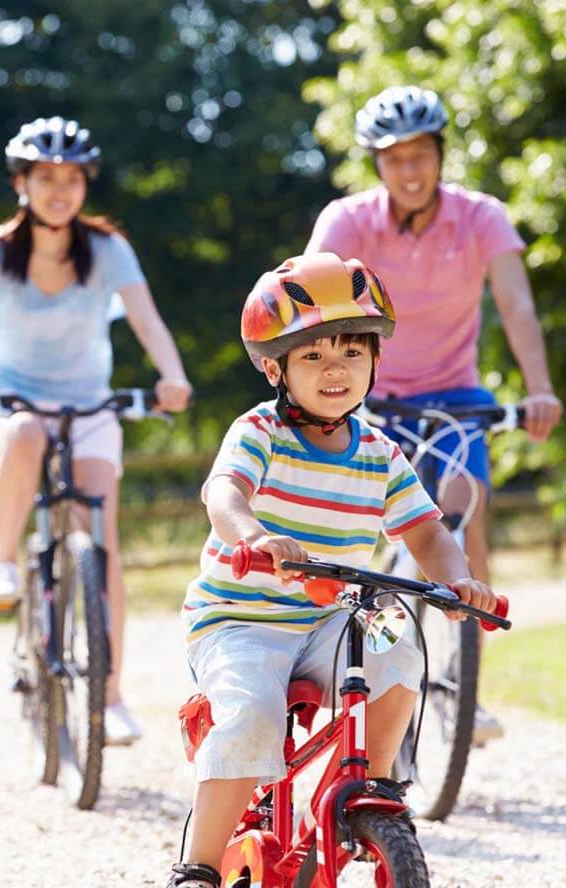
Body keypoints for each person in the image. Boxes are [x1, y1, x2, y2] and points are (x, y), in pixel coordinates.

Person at [167, 252, 496, 888]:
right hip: (241, 619)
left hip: (329, 617)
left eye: (351, 351)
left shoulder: (379, 452)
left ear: (375, 360)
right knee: (251, 715)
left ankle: (370, 789)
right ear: (276, 368)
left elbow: (428, 530)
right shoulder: (259, 431)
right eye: (313, 356)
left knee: (399, 645)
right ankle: (198, 867)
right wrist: (256, 536)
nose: (335, 369)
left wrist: (456, 579)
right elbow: (224, 494)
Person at [305, 85, 562, 743]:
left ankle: (460, 683)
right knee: (366, 536)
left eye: (422, 155)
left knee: (461, 503)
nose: (411, 171)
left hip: (455, 395)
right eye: (395, 159)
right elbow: (311, 296)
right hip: (371, 396)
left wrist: (538, 387)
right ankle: (376, 664)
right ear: (376, 164)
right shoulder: (349, 219)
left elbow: (517, 308)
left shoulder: (480, 218)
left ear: (441, 155)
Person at [0, 116, 192, 745]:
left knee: (99, 539)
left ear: (85, 186)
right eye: (45, 177)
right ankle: (1, 563)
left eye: (72, 179)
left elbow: (148, 320)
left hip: (87, 408)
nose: (60, 190)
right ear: (21, 182)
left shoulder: (107, 249)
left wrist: (173, 375)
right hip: (6, 402)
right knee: (24, 435)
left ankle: (109, 698)